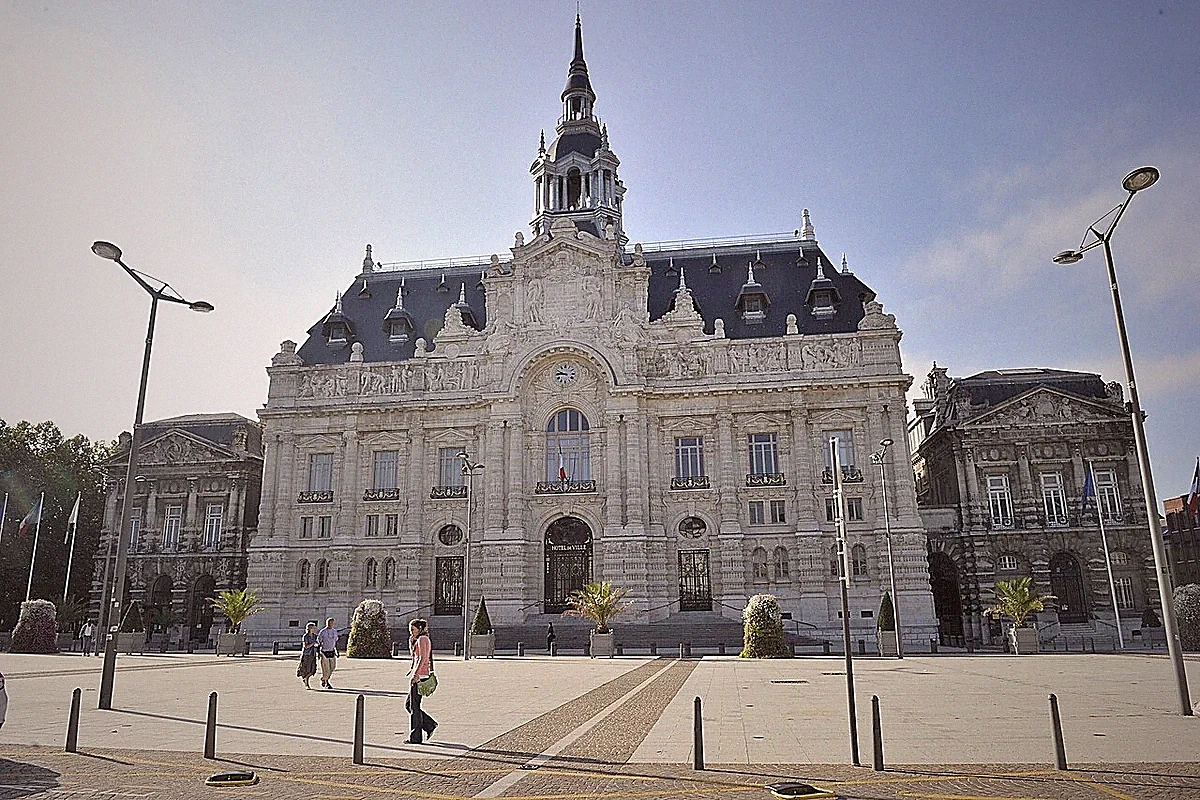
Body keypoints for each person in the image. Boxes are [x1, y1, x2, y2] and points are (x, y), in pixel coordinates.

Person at [407, 618, 437, 744]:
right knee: (411, 705)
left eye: (413, 630)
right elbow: (415, 657)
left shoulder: (423, 639)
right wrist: (411, 643)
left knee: (413, 706)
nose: (411, 632)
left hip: (420, 676)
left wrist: (415, 675)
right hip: (420, 674)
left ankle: (416, 737)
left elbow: (423, 658)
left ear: (419, 629)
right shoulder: (420, 639)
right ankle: (429, 725)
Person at [317, 617, 340, 689]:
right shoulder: (322, 632)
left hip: (332, 651)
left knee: (332, 667)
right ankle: (326, 682)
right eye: (329, 622)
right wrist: (318, 653)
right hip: (324, 652)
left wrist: (337, 651)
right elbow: (319, 642)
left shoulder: (334, 631)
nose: (330, 624)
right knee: (326, 669)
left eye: (332, 623)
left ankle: (324, 678)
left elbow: (335, 642)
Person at [297, 622, 319, 689]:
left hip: (313, 654)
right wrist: (313, 643)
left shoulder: (315, 636)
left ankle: (306, 678)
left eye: (314, 628)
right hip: (307, 654)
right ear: (309, 629)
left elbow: (318, 643)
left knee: (313, 669)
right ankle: (306, 682)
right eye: (312, 628)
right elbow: (306, 646)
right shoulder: (306, 636)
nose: (314, 629)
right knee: (306, 669)